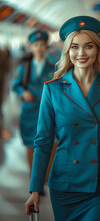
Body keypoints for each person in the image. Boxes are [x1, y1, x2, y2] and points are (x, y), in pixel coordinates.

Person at [25, 16, 100, 220]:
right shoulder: (53, 89)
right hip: (65, 184)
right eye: (74, 47)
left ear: (98, 49)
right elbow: (43, 141)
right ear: (67, 51)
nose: (81, 53)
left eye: (88, 46)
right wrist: (35, 189)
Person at [12, 30, 56, 175]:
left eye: (42, 44)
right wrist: (23, 92)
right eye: (35, 44)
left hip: (48, 112)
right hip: (29, 112)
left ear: (46, 47)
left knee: (50, 144)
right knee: (31, 144)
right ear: (30, 47)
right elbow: (16, 85)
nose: (38, 48)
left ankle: (46, 176)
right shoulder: (24, 68)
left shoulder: (53, 67)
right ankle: (35, 177)